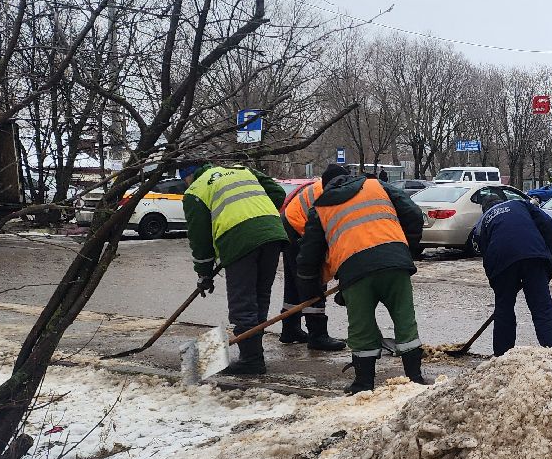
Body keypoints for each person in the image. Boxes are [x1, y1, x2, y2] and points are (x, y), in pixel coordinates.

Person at [295, 163, 426, 394]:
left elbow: (308, 256)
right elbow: (414, 213)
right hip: (395, 263)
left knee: (361, 326)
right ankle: (414, 378)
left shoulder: (322, 206)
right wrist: (408, 250)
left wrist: (311, 289)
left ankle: (364, 383)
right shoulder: (376, 185)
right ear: (349, 177)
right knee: (405, 319)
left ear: (325, 187)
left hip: (355, 271)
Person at [183, 162, 288, 377]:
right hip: (272, 232)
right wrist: (258, 215)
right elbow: (277, 192)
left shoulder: (195, 190)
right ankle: (254, 354)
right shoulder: (241, 170)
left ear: (189, 176)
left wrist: (203, 272)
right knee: (259, 297)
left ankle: (251, 360)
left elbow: (199, 237)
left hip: (240, 238)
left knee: (243, 302)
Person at [474, 187, 552, 356]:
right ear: (502, 201)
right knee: (542, 308)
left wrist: (500, 287)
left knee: (504, 311)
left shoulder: (482, 221)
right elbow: (547, 223)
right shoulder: (520, 204)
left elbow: (484, 252)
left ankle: (502, 357)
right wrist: (547, 252)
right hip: (534, 256)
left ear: (485, 208)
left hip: (501, 262)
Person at [278, 175, 346, 351]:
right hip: (298, 227)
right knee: (311, 278)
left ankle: (290, 329)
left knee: (294, 282)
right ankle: (318, 335)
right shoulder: (332, 196)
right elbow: (327, 240)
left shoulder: (328, 188)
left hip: (289, 223)